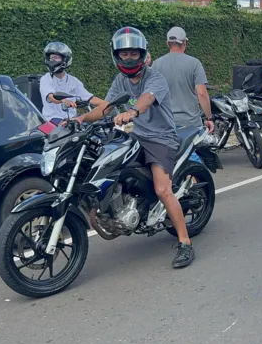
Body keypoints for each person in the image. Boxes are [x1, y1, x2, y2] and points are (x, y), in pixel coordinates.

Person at [74, 26, 195, 269]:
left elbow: (147, 98)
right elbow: (105, 107)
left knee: (163, 189)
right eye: (123, 54)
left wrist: (132, 112)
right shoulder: (120, 80)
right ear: (116, 55)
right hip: (133, 135)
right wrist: (79, 120)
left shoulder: (155, 77)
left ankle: (185, 243)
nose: (129, 58)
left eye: (134, 53)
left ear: (143, 54)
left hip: (161, 138)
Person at [151, 26, 214, 133]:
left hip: (164, 123)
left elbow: (151, 94)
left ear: (167, 43)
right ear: (184, 42)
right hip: (190, 124)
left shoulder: (157, 64)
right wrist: (209, 118)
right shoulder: (194, 63)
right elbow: (202, 93)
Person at [39, 42, 105, 125]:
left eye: (56, 57)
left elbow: (90, 98)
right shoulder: (46, 79)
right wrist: (63, 100)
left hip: (72, 119)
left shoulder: (74, 81)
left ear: (65, 59)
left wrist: (108, 104)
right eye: (51, 58)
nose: (52, 60)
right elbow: (51, 97)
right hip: (52, 120)